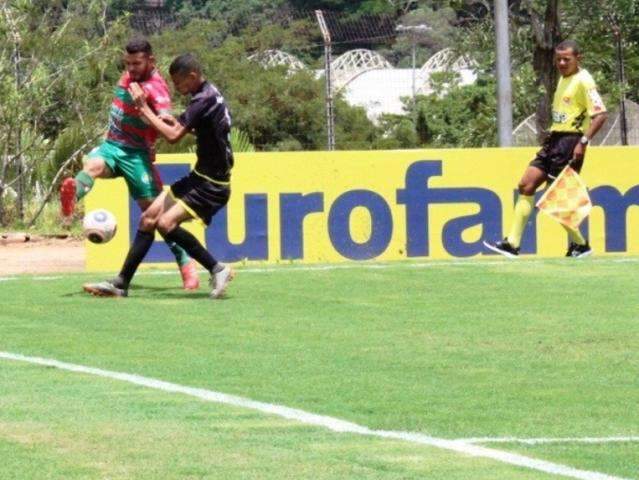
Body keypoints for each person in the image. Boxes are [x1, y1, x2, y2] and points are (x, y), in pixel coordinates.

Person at [83, 53, 234, 299]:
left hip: (212, 184)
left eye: (179, 82)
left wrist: (145, 109)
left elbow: (173, 137)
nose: (177, 88)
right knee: (148, 219)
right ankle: (120, 285)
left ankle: (218, 269)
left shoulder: (202, 99)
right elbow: (203, 129)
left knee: (165, 224)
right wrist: (172, 120)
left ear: (192, 76)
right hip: (199, 176)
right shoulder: (208, 94)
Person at [60, 38, 199, 289]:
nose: (131, 68)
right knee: (91, 166)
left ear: (151, 61)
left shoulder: (157, 88)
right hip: (113, 147)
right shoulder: (127, 76)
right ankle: (72, 198)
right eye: (128, 63)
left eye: (137, 63)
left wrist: (153, 116)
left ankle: (186, 264)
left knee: (157, 217)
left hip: (137, 156)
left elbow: (167, 122)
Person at [484, 40, 608, 258]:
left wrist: (583, 142)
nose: (561, 63)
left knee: (555, 197)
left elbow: (600, 115)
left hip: (570, 142)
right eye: (558, 59)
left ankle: (580, 244)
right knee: (526, 184)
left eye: (566, 59)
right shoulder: (564, 79)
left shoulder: (584, 81)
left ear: (579, 58)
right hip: (554, 140)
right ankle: (512, 244)